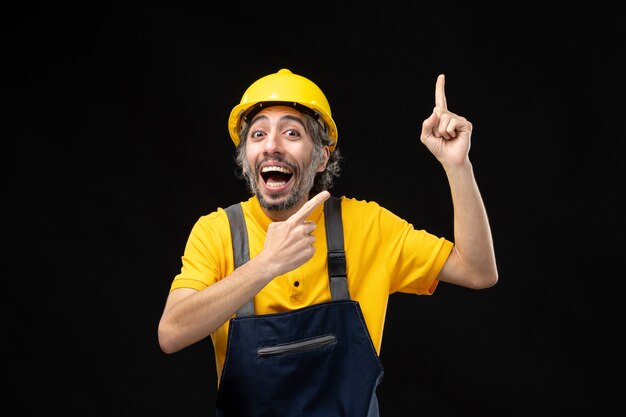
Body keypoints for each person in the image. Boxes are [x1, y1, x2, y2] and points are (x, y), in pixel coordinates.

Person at [158, 68, 498, 416]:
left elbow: (477, 270)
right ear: (246, 157)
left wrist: (458, 166)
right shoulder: (216, 232)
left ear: (321, 157)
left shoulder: (366, 225)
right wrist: (266, 264)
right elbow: (171, 333)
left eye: (291, 132)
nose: (272, 145)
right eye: (258, 134)